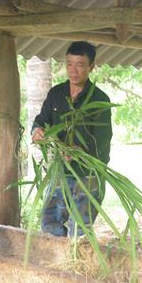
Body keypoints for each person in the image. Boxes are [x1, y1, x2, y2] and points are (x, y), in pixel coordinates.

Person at [31, 41, 113, 237]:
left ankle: (77, 264)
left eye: (80, 65)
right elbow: (42, 120)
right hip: (61, 171)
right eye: (69, 64)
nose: (73, 71)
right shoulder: (56, 94)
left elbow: (102, 141)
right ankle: (58, 262)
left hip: (88, 175)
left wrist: (79, 152)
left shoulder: (100, 100)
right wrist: (37, 130)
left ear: (91, 67)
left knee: (80, 231)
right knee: (49, 222)